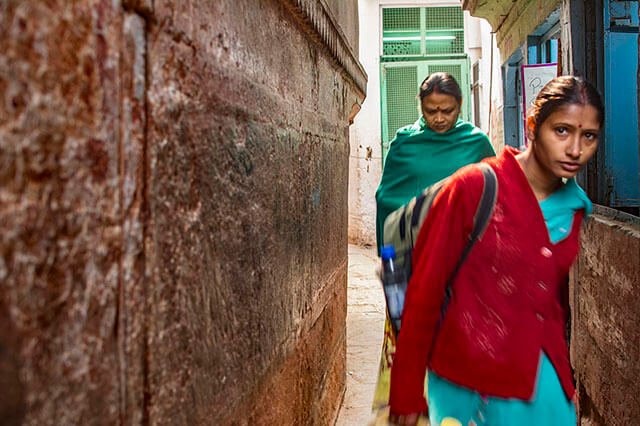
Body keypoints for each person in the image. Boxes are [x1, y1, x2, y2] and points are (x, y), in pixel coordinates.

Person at [387, 76, 604, 426]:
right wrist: (406, 391)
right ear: (533, 127)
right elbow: (424, 293)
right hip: (468, 389)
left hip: (541, 386)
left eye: (588, 136)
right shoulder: (474, 187)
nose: (575, 149)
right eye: (561, 131)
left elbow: (552, 303)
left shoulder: (576, 208)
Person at [372, 72, 495, 409]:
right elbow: (387, 200)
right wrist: (390, 256)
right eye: (432, 111)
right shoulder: (404, 144)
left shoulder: (477, 143)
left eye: (448, 110)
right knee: (410, 334)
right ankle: (412, 406)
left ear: (460, 107)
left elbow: (492, 196)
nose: (440, 119)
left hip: (463, 263)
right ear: (421, 107)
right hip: (411, 261)